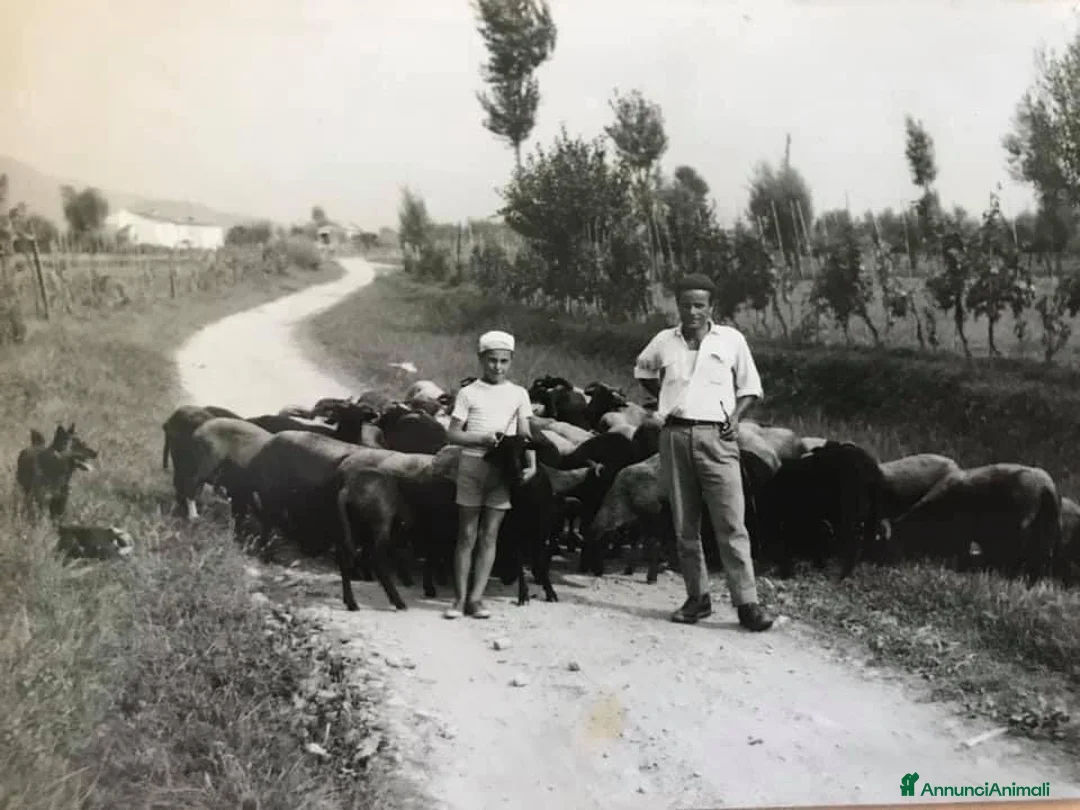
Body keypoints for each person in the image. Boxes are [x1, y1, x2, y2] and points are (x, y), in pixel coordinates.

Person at [633, 273, 774, 631]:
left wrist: (736, 418)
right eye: (685, 304)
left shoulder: (730, 340)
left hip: (718, 437)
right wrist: (663, 394)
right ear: (677, 306)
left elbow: (751, 387)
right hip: (675, 436)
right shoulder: (665, 341)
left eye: (699, 305)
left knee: (731, 522)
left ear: (711, 307)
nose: (692, 311)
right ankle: (698, 598)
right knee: (685, 525)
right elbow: (643, 369)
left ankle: (747, 603)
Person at [443, 330, 536, 620]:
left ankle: (476, 598)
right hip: (472, 466)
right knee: (467, 534)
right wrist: (481, 438)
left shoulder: (519, 394)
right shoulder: (469, 393)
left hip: (503, 469)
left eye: (504, 361)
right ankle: (458, 599)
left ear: (511, 361)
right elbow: (453, 433)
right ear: (482, 359)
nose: (498, 367)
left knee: (489, 535)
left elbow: (525, 435)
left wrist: (531, 464)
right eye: (492, 360)